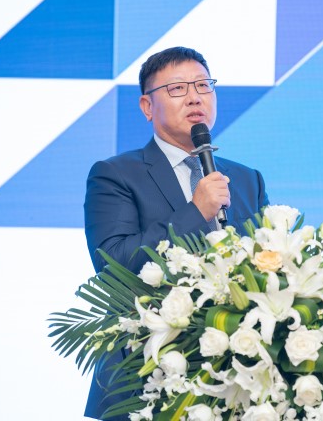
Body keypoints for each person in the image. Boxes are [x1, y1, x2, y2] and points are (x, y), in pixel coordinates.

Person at [83, 46, 269, 420]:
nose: (195, 97)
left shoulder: (247, 179)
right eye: (177, 88)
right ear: (147, 107)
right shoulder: (115, 174)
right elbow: (114, 267)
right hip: (143, 382)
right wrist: (195, 212)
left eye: (203, 85)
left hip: (235, 385)